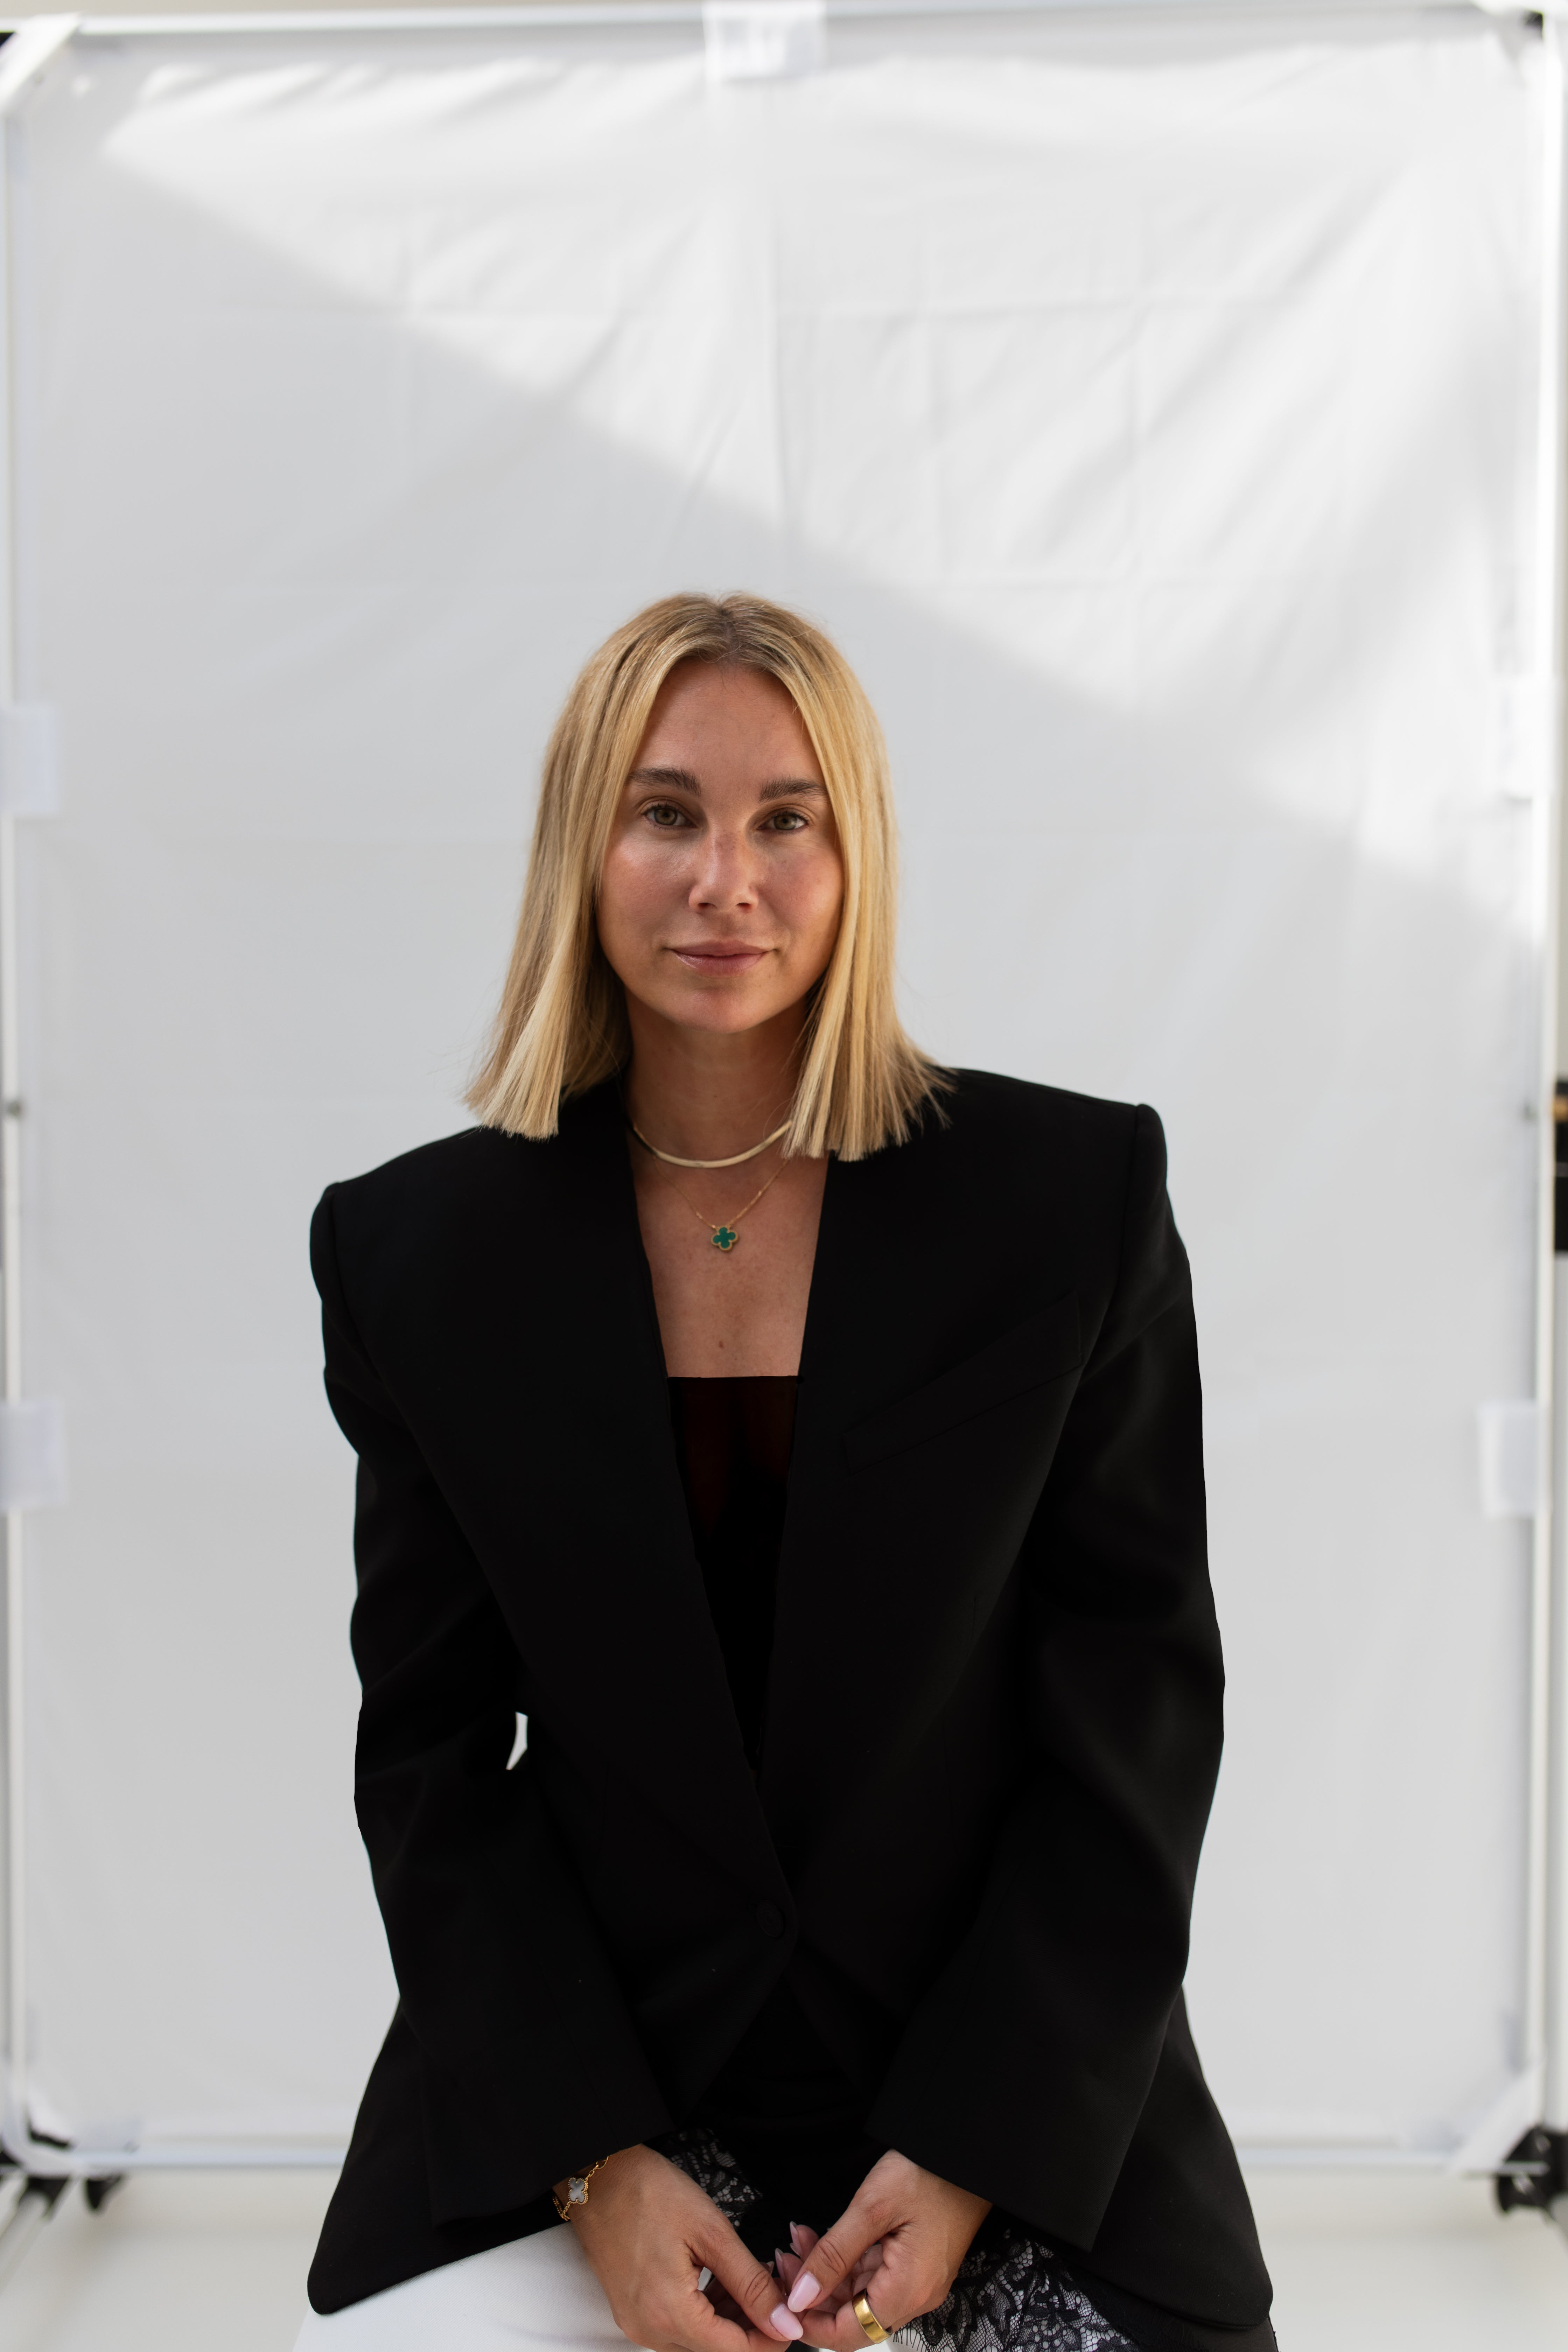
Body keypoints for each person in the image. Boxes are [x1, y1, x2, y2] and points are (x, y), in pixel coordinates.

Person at [293, 594, 1276, 2352]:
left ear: (854, 852)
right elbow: (431, 1762)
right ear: (583, 847)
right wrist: (593, 2163)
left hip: (999, 2087)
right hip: (589, 2092)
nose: (722, 880)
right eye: (664, 813)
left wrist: (975, 2146)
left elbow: (1135, 1709)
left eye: (784, 820)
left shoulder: (1066, 1206)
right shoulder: (414, 1256)